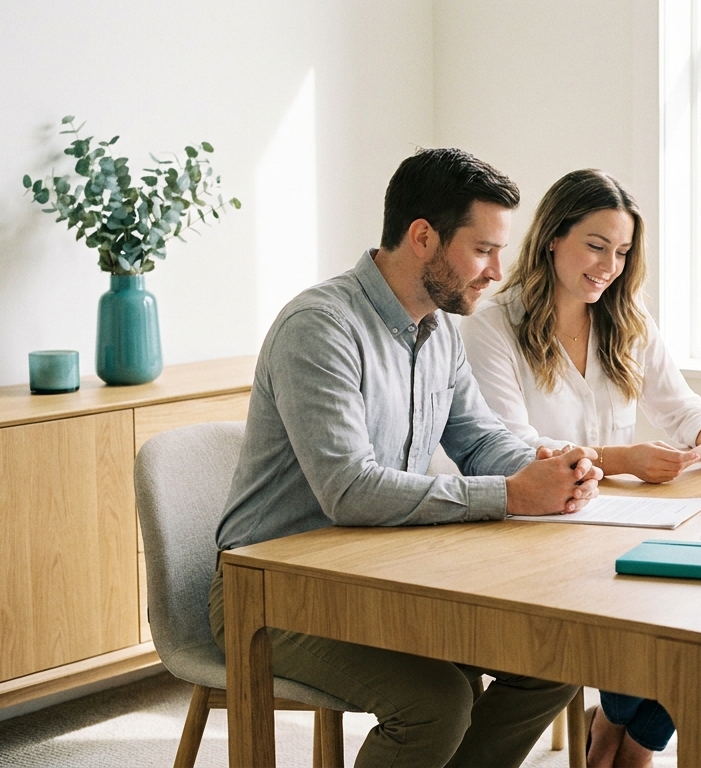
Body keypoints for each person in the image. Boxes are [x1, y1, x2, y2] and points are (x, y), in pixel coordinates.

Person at [210, 148, 602, 768]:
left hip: (385, 574)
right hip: (272, 592)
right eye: (483, 250)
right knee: (436, 703)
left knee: (557, 657)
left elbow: (477, 441)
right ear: (423, 237)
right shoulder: (321, 327)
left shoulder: (440, 330)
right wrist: (511, 494)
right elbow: (350, 490)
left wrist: (544, 464)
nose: (498, 271)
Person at [458, 168, 701, 767]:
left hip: (612, 520)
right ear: (553, 237)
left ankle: (628, 734)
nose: (608, 265)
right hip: (529, 530)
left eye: (621, 252)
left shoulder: (625, 317)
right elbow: (511, 444)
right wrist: (624, 459)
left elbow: (679, 406)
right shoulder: (492, 324)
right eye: (595, 246)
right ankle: (628, 743)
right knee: (647, 613)